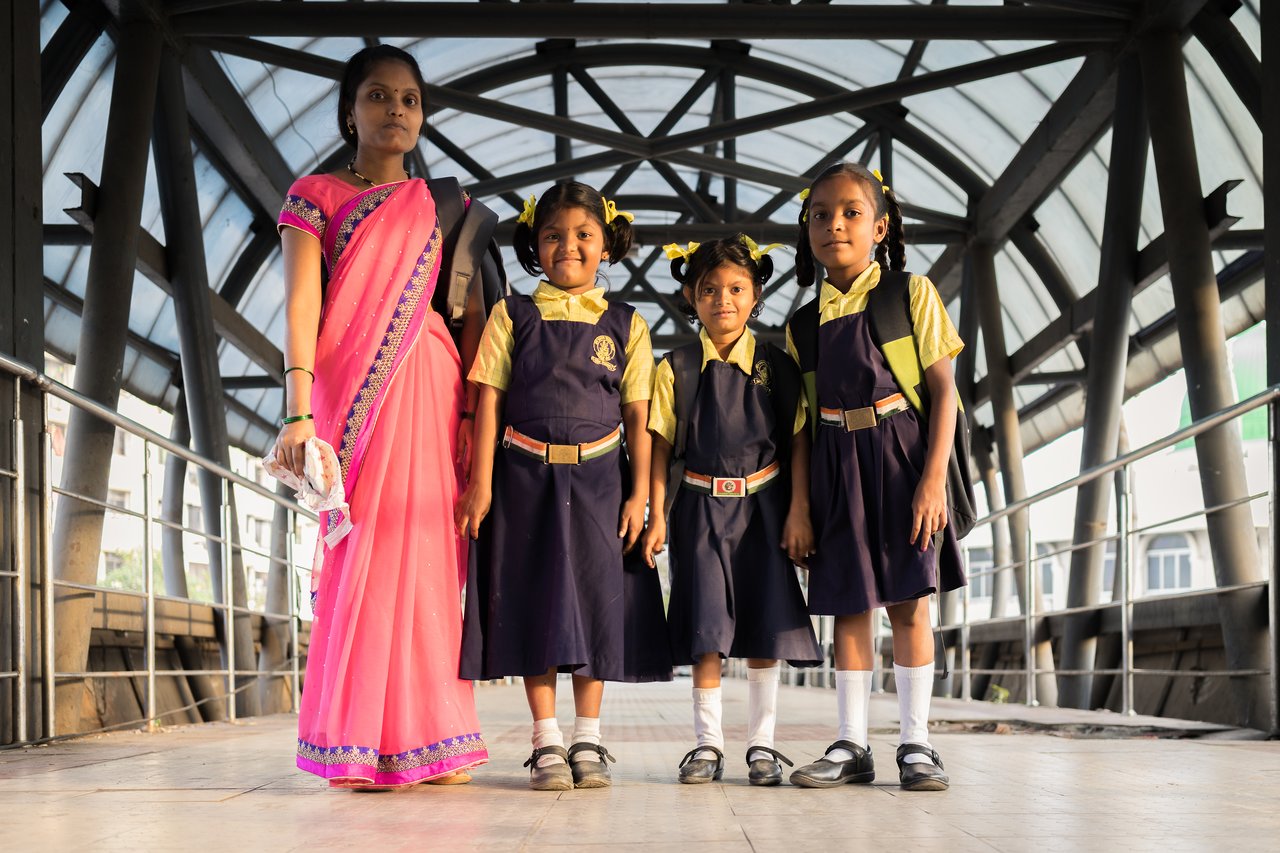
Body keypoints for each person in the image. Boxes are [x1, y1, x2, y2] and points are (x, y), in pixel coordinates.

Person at [275, 45, 490, 790]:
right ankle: (357, 741)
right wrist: (298, 407)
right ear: (349, 110)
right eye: (377, 95)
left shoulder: (441, 206)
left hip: (431, 387)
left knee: (428, 553)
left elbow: (468, 316)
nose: (395, 110)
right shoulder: (316, 194)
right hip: (350, 391)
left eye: (408, 99)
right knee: (360, 550)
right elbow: (303, 302)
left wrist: (470, 418)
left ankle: (434, 739)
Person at [456, 182, 671, 791]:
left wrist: (640, 497)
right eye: (552, 235)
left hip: (604, 481)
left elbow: (638, 417)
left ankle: (588, 739)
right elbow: (489, 400)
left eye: (583, 235)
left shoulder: (627, 324)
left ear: (606, 246)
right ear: (534, 244)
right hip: (523, 480)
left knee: (597, 606)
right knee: (538, 605)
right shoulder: (512, 315)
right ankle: (546, 739)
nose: (567, 246)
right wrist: (481, 484)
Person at [785, 163, 966, 792]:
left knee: (909, 604)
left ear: (880, 226)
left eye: (851, 212)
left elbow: (944, 391)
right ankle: (852, 744)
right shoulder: (800, 325)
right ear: (806, 230)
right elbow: (801, 426)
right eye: (820, 214)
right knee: (849, 607)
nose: (835, 224)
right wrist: (800, 506)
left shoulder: (910, 294)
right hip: (836, 462)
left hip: (901, 458)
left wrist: (933, 479)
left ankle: (917, 742)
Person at [641, 236, 822, 787]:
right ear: (690, 298)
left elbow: (798, 443)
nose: (724, 299)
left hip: (765, 508)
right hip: (698, 509)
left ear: (757, 294)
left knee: (766, 626)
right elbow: (659, 448)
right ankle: (707, 745)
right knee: (706, 627)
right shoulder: (676, 367)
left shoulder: (776, 365)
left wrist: (799, 512)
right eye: (709, 290)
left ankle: (763, 746)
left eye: (737, 289)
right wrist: (657, 515)